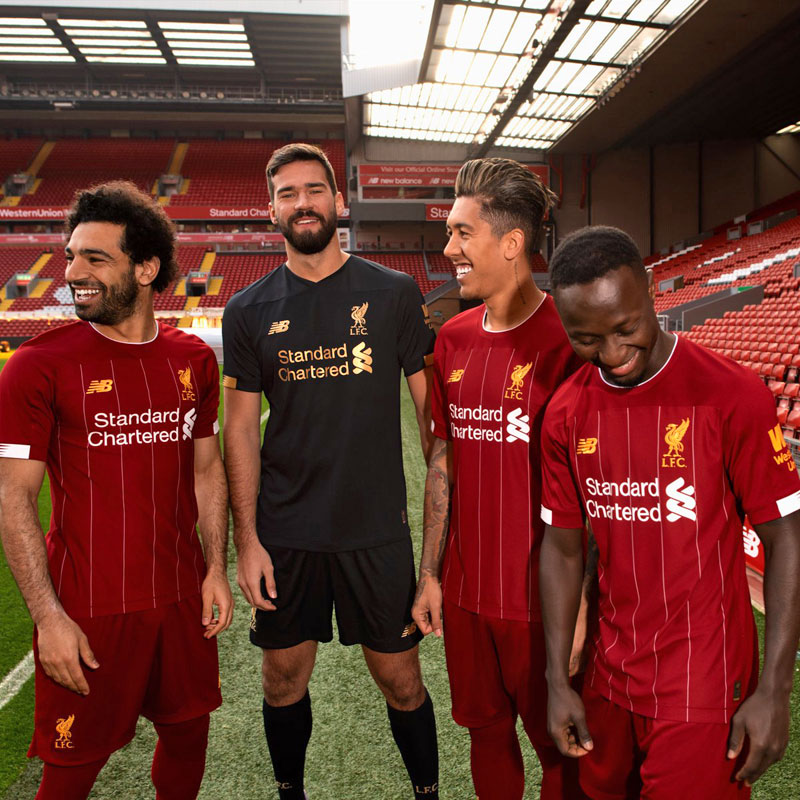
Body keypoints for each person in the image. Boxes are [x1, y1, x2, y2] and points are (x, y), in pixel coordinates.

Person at [539, 225, 800, 800]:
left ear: (652, 292)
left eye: (625, 329)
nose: (612, 355)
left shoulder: (731, 395)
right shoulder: (564, 413)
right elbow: (561, 548)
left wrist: (776, 690)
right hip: (607, 676)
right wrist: (558, 680)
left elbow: (788, 538)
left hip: (704, 681)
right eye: (587, 339)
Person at [0, 181, 233, 800]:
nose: (73, 272)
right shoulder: (37, 365)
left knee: (188, 737)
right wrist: (48, 618)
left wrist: (215, 568)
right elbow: (13, 498)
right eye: (71, 255)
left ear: (146, 268)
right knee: (70, 773)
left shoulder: (192, 360)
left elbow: (206, 469)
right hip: (88, 609)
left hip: (182, 599)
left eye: (95, 258)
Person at [222, 143, 439, 800]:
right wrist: (247, 540)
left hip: (375, 529)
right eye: (287, 194)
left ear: (338, 201)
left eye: (314, 189)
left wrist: (438, 543)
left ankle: (427, 793)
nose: (303, 203)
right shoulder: (248, 310)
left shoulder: (393, 293)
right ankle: (291, 792)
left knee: (402, 681)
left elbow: (432, 421)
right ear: (271, 210)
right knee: (282, 681)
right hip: (286, 533)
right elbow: (240, 430)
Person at [410, 157, 586, 800]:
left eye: (463, 233)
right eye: (449, 232)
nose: (448, 249)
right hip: (465, 595)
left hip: (543, 602)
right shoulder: (453, 339)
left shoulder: (571, 341)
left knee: (559, 750)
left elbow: (594, 488)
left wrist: (584, 605)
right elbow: (442, 459)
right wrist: (430, 573)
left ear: (512, 244)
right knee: (485, 736)